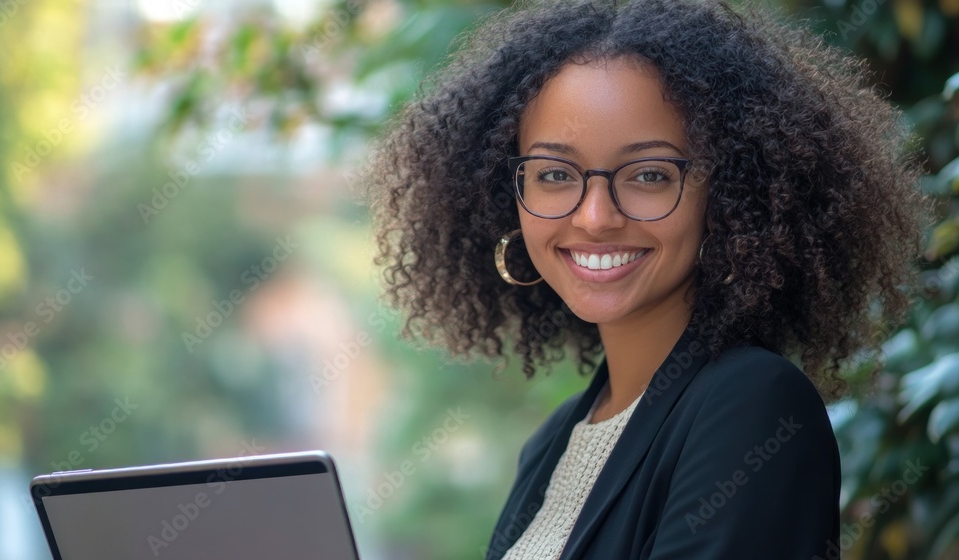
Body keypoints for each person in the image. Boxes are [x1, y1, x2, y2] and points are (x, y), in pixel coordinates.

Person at [365, 0, 927, 558]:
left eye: (650, 174)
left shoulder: (752, 406)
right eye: (555, 174)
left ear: (729, 196)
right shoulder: (554, 441)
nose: (595, 216)